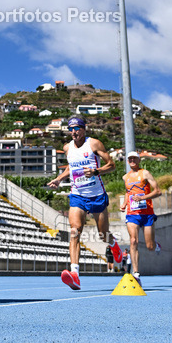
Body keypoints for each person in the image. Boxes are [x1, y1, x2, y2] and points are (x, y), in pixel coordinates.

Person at [47, 116, 121, 290]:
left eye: (77, 128)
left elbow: (111, 165)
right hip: (77, 195)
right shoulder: (67, 148)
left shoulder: (94, 144)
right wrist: (58, 179)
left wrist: (96, 171)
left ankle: (113, 244)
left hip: (97, 196)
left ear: (84, 129)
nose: (74, 132)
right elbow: (71, 167)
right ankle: (75, 274)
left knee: (103, 234)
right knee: (74, 231)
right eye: (71, 129)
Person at [119, 151, 162, 287]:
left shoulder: (145, 173)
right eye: (130, 159)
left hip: (147, 213)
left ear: (138, 160)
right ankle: (136, 274)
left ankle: (156, 245)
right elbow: (128, 192)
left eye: (134, 158)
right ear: (127, 161)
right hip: (132, 213)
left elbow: (158, 191)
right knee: (133, 241)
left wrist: (142, 198)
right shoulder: (125, 177)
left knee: (149, 246)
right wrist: (125, 203)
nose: (132, 161)